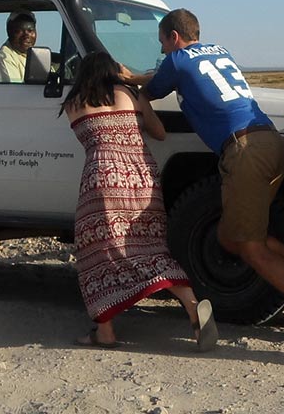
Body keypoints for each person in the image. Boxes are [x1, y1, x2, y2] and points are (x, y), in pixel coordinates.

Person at [125, 9, 284, 345]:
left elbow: (151, 91)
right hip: (268, 141)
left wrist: (128, 79)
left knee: (249, 247)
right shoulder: (218, 51)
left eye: (162, 43)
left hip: (243, 151)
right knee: (231, 237)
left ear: (174, 36)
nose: (162, 51)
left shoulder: (176, 60)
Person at [60, 50, 217, 351]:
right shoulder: (132, 95)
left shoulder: (73, 103)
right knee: (150, 247)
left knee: (100, 251)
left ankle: (104, 331)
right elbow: (158, 133)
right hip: (142, 177)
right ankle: (191, 304)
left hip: (102, 180)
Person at [0, 11, 37, 82]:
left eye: (30, 31)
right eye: (19, 31)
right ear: (9, 32)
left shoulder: (35, 56)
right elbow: (14, 92)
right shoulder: (4, 60)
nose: (26, 36)